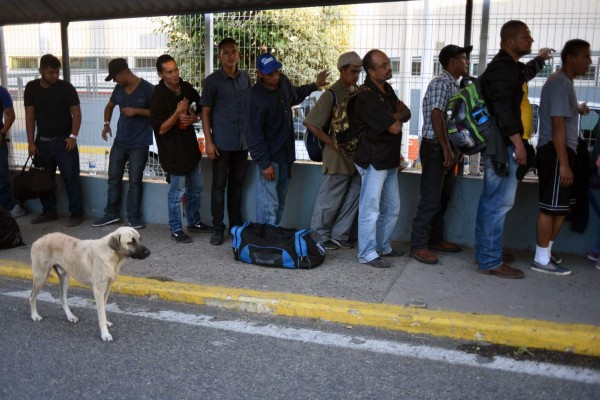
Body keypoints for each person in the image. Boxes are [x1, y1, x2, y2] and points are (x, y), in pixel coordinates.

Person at [475, 20, 554, 278]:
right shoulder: (502, 69)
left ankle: (488, 251)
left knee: (492, 202)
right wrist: (518, 144)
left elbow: (525, 72)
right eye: (526, 36)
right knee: (497, 204)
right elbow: (503, 110)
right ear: (510, 41)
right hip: (503, 144)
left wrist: (541, 59)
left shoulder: (509, 67)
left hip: (502, 143)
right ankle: (489, 259)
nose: (530, 40)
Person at [245, 53, 329, 225]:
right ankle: (265, 243)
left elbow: (295, 95)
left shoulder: (283, 82)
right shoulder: (254, 97)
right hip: (270, 158)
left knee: (280, 203)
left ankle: (273, 238)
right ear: (259, 74)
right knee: (268, 206)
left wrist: (315, 85)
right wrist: (265, 163)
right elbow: (253, 134)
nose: (275, 76)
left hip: (285, 154)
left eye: (276, 71)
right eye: (270, 74)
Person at [532, 39, 592, 276]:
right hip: (557, 152)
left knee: (560, 208)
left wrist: (577, 109)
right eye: (586, 57)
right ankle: (540, 258)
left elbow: (561, 113)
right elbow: (557, 124)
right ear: (570, 58)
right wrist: (564, 165)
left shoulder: (564, 82)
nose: (589, 62)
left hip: (563, 152)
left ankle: (546, 253)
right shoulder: (559, 83)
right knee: (551, 208)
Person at [410, 45, 471, 264]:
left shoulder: (454, 85)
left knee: (443, 196)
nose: (466, 62)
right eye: (463, 58)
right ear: (452, 61)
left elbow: (454, 121)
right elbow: (436, 116)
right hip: (436, 147)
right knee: (431, 198)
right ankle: (418, 245)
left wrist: (457, 149)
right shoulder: (440, 83)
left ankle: (435, 239)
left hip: (446, 148)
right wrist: (446, 148)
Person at [351, 49, 411, 269]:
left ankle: (382, 246)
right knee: (371, 208)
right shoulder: (365, 96)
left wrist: (393, 117)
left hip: (389, 159)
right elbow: (395, 126)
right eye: (384, 65)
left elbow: (407, 113)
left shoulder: (387, 90)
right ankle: (366, 253)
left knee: (392, 207)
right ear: (371, 71)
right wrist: (395, 117)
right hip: (373, 160)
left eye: (388, 63)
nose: (389, 67)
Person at [150, 54, 212, 243]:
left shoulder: (185, 88)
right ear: (160, 74)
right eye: (169, 72)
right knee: (177, 193)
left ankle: (194, 222)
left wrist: (194, 118)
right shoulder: (157, 96)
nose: (175, 74)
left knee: (196, 187)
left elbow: (201, 109)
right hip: (172, 153)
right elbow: (160, 128)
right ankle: (176, 228)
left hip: (190, 149)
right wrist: (177, 113)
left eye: (175, 69)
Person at [304, 51, 363, 250]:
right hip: (337, 157)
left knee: (352, 198)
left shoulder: (356, 92)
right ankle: (319, 235)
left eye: (359, 72)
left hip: (356, 156)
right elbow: (311, 123)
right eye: (353, 71)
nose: (356, 75)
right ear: (342, 70)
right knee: (330, 200)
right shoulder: (332, 94)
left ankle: (340, 234)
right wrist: (332, 144)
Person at [92, 58, 155, 229]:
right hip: (120, 141)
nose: (115, 81)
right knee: (113, 179)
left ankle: (133, 217)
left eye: (115, 77)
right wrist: (106, 125)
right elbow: (109, 107)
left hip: (139, 143)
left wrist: (136, 111)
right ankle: (111, 214)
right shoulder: (118, 89)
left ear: (124, 72)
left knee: (135, 181)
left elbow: (157, 113)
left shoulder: (147, 89)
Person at [200, 38, 251, 245]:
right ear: (220, 56)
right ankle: (218, 228)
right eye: (226, 52)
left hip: (242, 143)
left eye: (234, 52)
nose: (231, 56)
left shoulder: (245, 78)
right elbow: (205, 113)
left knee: (237, 186)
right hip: (221, 142)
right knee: (219, 186)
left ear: (238, 54)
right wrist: (209, 142)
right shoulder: (212, 81)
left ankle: (235, 226)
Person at [25, 54, 83, 226]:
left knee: (71, 178)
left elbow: (77, 113)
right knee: (44, 179)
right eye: (51, 73)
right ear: (41, 71)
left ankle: (76, 213)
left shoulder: (66, 88)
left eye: (57, 72)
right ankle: (49, 212)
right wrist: (31, 143)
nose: (55, 76)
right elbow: (29, 117)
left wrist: (73, 136)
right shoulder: (31, 87)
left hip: (64, 141)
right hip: (42, 142)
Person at [0, 85, 25, 218]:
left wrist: (2, 133)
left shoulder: (1, 91)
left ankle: (6, 208)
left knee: (2, 177)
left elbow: (11, 115)